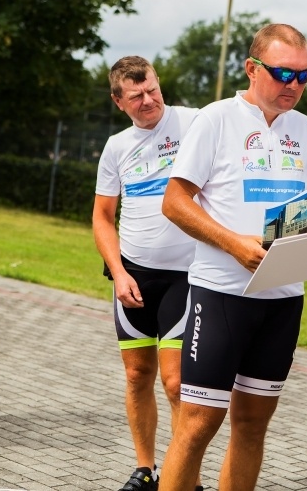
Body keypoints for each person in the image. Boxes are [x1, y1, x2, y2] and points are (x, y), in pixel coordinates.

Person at [159, 23, 307, 491]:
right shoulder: (215, 119)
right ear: (252, 69)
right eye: (283, 73)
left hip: (283, 299)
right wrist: (233, 243)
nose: (294, 85)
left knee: (253, 425)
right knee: (198, 425)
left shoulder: (305, 128)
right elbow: (174, 202)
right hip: (221, 294)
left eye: (304, 76)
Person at [93, 56, 204, 491]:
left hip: (186, 275)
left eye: (152, 89)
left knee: (176, 383)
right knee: (137, 375)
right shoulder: (116, 146)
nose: (148, 100)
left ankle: (185, 478)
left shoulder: (195, 123)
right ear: (118, 101)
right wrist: (118, 272)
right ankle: (146, 470)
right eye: (136, 95)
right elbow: (103, 217)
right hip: (134, 275)